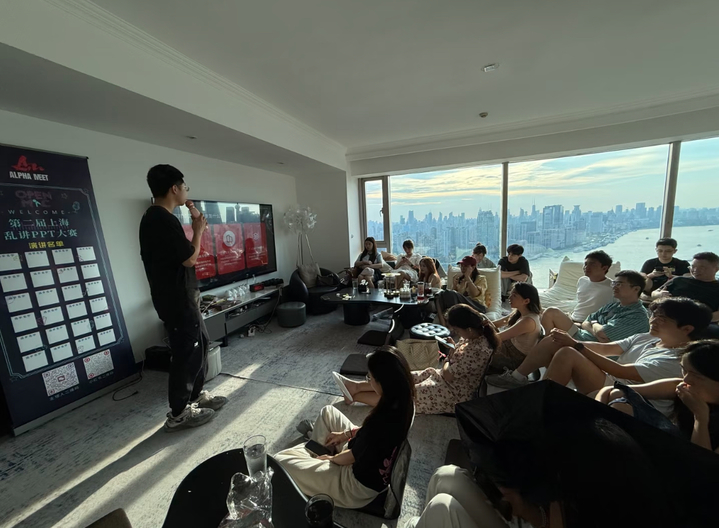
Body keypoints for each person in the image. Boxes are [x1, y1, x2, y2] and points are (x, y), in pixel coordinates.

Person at [406, 418, 677, 528]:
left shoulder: (608, 510)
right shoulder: (580, 486)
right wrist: (523, 507)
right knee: (448, 475)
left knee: (442, 508)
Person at [139, 164, 227, 432]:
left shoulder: (160, 218)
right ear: (174, 189)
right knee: (186, 353)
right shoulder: (160, 219)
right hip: (176, 299)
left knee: (200, 344)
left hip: (184, 296)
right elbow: (189, 258)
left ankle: (195, 397)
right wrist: (198, 230)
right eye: (185, 186)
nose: (187, 191)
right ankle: (178, 413)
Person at [275, 346, 415, 508]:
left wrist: (331, 459)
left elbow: (351, 456)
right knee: (328, 413)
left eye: (370, 377)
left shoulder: (381, 422)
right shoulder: (404, 402)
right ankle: (314, 454)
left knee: (280, 461)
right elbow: (369, 436)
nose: (368, 381)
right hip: (365, 457)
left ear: (383, 382)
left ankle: (312, 456)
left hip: (353, 485)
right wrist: (346, 433)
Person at [488, 270, 650, 390]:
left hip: (597, 351)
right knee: (551, 312)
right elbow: (587, 321)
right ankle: (543, 361)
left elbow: (603, 335)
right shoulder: (614, 305)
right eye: (614, 283)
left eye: (619, 284)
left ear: (636, 289)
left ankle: (518, 376)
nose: (614, 286)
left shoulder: (636, 316)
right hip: (584, 336)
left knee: (553, 340)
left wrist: (593, 326)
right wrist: (593, 326)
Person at [540, 297, 712, 407]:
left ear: (686, 328)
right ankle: (527, 381)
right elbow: (606, 348)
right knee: (556, 342)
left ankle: (539, 402)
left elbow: (620, 371)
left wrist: (576, 345)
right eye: (654, 315)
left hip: (630, 400)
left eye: (662, 319)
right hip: (612, 382)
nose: (653, 321)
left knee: (568, 353)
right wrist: (570, 341)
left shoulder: (679, 359)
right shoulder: (648, 337)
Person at [334, 305, 498, 415]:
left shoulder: (478, 350)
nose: (456, 333)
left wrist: (448, 357)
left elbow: (449, 374)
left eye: (457, 330)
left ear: (468, 329)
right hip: (441, 377)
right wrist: (454, 350)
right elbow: (455, 366)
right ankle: (355, 386)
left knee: (403, 396)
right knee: (402, 378)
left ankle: (355, 397)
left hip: (453, 392)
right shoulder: (474, 336)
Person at [596, 339, 719, 453]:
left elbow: (703, 464)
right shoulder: (681, 387)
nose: (686, 379)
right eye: (684, 370)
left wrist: (700, 417)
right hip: (664, 444)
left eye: (697, 376)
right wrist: (597, 413)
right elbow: (612, 389)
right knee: (619, 396)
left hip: (686, 461)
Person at [540, 250, 615, 332]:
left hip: (586, 325)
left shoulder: (613, 288)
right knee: (537, 311)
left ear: (604, 268)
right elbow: (581, 304)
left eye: (592, 264)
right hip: (572, 318)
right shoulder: (582, 280)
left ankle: (548, 337)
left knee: (550, 312)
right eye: (585, 264)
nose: (586, 267)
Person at [486, 283, 542, 373]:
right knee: (481, 319)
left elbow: (498, 337)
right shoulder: (519, 313)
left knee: (480, 347)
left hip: (513, 358)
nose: (509, 297)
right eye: (510, 294)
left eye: (514, 296)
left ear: (526, 301)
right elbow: (496, 324)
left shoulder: (528, 321)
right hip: (508, 348)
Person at [653, 252, 719, 323]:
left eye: (702, 268)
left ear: (716, 269)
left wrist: (693, 319)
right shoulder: (679, 280)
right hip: (667, 320)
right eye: (693, 267)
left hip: (700, 323)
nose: (695, 270)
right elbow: (654, 293)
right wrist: (660, 294)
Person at [434, 256, 489, 325]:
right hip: (462, 306)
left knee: (450, 293)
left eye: (465, 266)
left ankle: (450, 320)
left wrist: (468, 277)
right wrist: (454, 285)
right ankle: (444, 324)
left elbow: (475, 294)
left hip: (477, 306)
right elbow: (452, 298)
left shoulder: (481, 278)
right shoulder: (461, 280)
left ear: (473, 267)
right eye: (462, 265)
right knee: (439, 296)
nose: (463, 268)